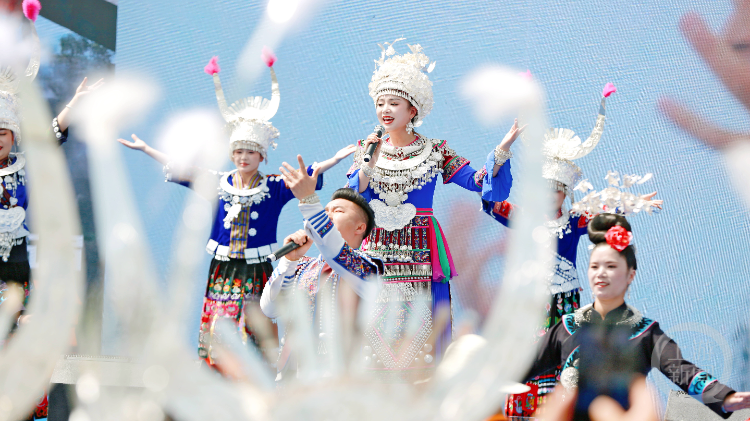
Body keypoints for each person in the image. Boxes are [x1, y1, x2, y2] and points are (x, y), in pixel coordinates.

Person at [118, 52, 354, 366]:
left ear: (262, 156)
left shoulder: (273, 186)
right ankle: (216, 372)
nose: (244, 158)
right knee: (220, 323)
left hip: (257, 269)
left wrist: (334, 159)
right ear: (232, 154)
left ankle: (258, 376)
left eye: (251, 153)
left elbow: (306, 173)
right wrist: (147, 149)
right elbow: (182, 168)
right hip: (224, 267)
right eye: (239, 152)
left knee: (255, 324)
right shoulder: (217, 182)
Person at [345, 39, 521, 382]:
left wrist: (500, 152)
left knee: (420, 331)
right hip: (376, 247)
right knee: (375, 329)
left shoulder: (435, 150)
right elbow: (354, 193)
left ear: (412, 109)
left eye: (394, 102)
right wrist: (369, 160)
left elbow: (477, 181)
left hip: (419, 249)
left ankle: (423, 387)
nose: (385, 109)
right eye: (380, 103)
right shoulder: (367, 149)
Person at [522, 213, 750, 418]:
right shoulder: (568, 327)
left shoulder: (645, 332)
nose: (601, 273)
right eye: (594, 266)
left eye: (611, 266)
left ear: (630, 274)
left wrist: (724, 397)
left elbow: (681, 369)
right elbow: (522, 365)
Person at [0, 3, 103, 419]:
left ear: (12, 136)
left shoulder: (26, 169)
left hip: (17, 277)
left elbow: (51, 139)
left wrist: (74, 104)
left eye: (2, 133)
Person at [260, 156, 383, 379]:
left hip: (342, 380)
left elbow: (334, 248)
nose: (328, 214)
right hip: (293, 379)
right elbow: (270, 308)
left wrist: (309, 199)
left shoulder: (369, 268)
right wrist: (289, 261)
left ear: (359, 228)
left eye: (338, 211)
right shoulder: (303, 265)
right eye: (325, 210)